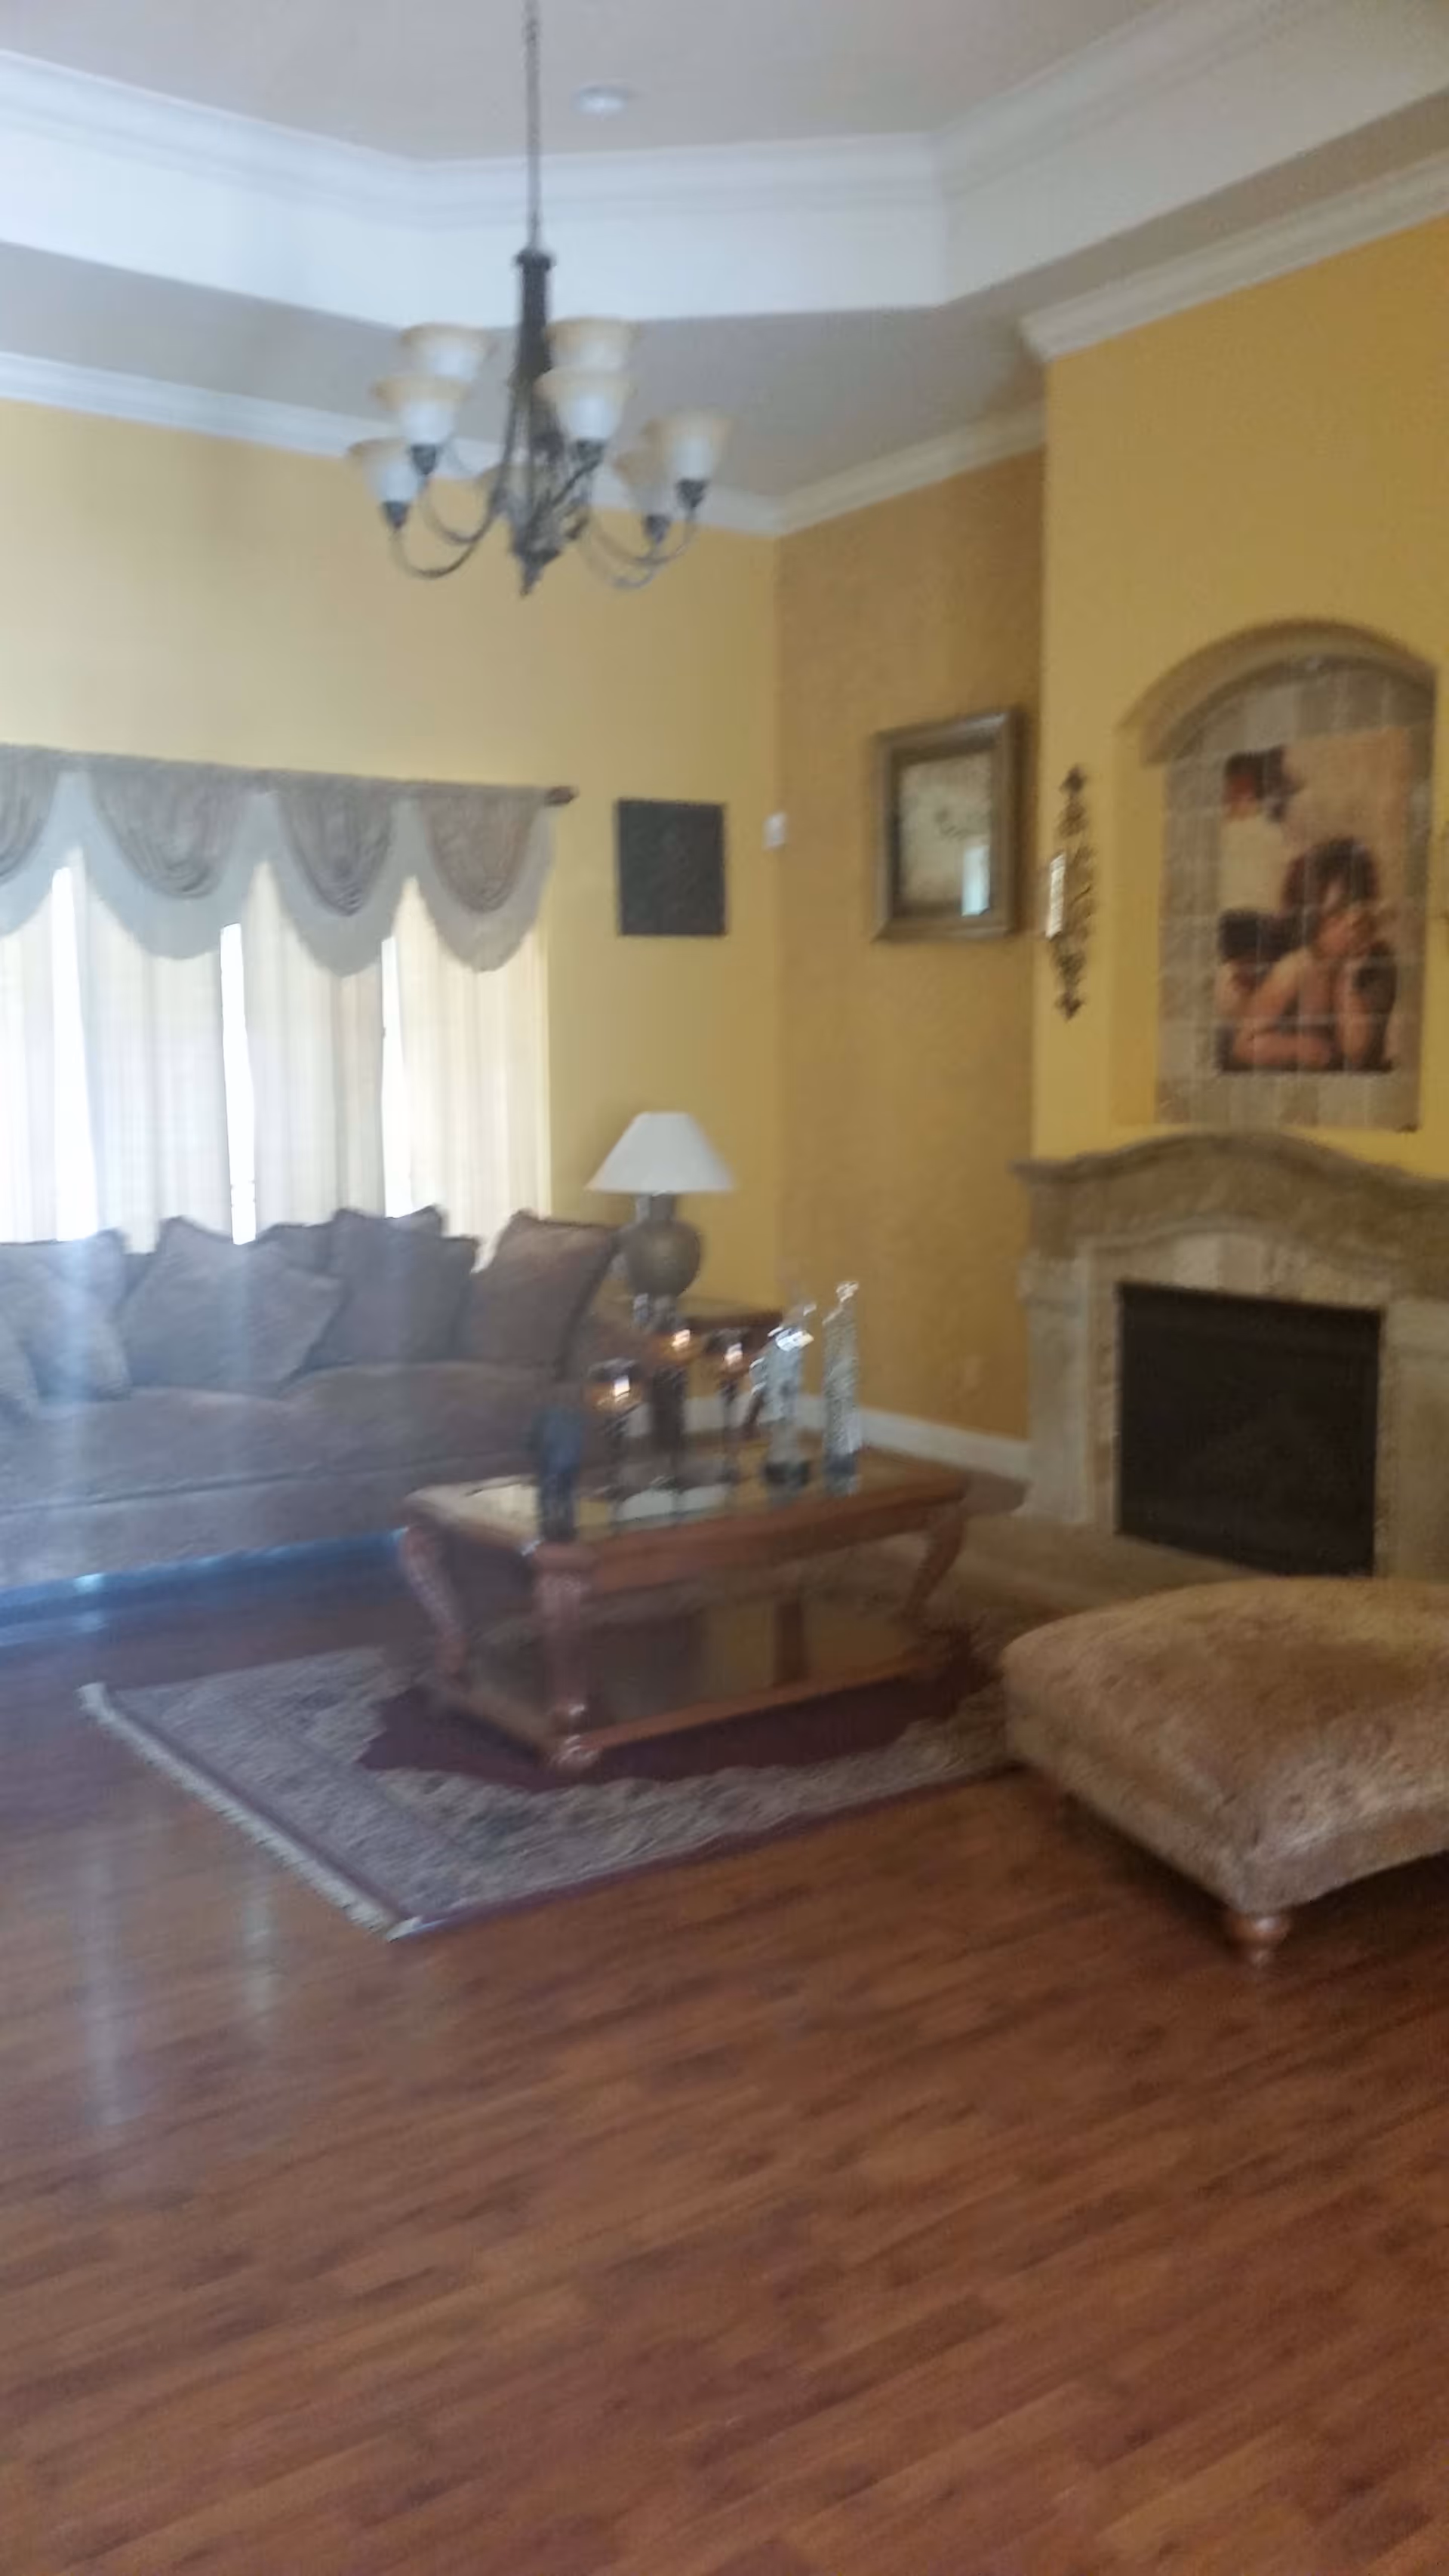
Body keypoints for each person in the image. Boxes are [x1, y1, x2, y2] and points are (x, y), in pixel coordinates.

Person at [1224, 839, 1395, 1073]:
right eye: (1335, 915)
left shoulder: (1377, 962)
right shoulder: (1295, 968)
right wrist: (1298, 1047)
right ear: (1312, 918)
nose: (1350, 925)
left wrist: (1346, 978)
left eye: (1356, 913)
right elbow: (1242, 1045)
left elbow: (1356, 1054)